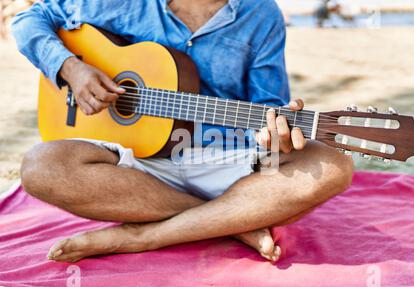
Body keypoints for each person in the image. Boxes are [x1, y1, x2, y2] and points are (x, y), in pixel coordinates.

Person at [12, 0, 353, 263]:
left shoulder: (260, 13)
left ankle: (143, 236)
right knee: (41, 167)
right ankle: (232, 221)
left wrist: (272, 137)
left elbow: (268, 104)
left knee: (334, 166)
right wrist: (71, 68)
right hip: (138, 163)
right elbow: (30, 19)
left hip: (226, 156)